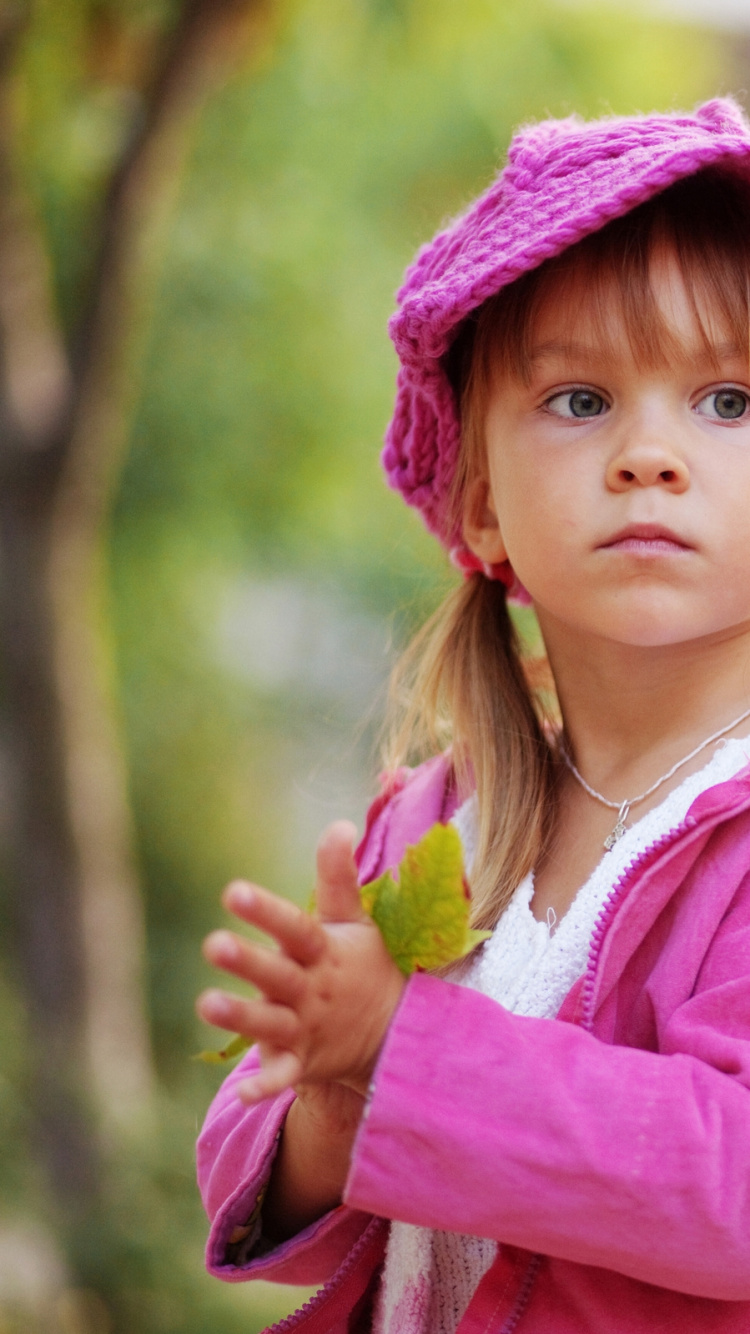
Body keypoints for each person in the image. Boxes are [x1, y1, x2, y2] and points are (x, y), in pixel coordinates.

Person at [195, 97, 750, 1333]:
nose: (650, 454)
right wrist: (332, 1097)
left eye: (728, 402)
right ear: (483, 501)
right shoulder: (439, 822)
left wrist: (407, 1048)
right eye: (580, 400)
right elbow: (254, 1181)